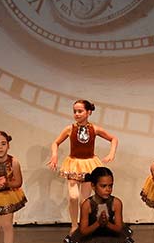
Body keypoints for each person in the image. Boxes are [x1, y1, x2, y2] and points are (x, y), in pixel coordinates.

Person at [47, 99, 117, 233]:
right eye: (75, 111)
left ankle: (83, 225)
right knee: (73, 196)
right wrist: (54, 155)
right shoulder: (69, 129)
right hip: (73, 164)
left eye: (80, 111)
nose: (77, 114)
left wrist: (111, 153)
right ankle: (74, 224)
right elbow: (55, 143)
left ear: (88, 112)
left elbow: (113, 138)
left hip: (89, 164)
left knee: (84, 200)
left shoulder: (94, 128)